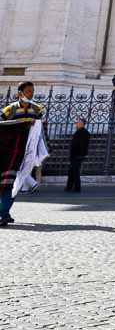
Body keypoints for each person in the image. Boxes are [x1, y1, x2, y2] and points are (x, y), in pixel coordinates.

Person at [0, 82, 45, 226]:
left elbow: (41, 133)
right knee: (7, 183)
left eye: (32, 91)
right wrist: (23, 122)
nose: (31, 94)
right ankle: (4, 213)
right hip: (7, 152)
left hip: (25, 154)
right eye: (28, 91)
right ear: (20, 93)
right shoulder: (9, 110)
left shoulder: (37, 110)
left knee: (15, 184)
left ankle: (4, 213)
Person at [65, 117, 91, 193]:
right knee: (72, 172)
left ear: (81, 124)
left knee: (75, 172)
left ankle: (76, 188)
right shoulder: (78, 132)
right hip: (75, 155)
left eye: (77, 123)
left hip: (77, 156)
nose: (76, 124)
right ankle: (69, 187)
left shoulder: (84, 133)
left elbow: (83, 146)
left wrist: (81, 155)